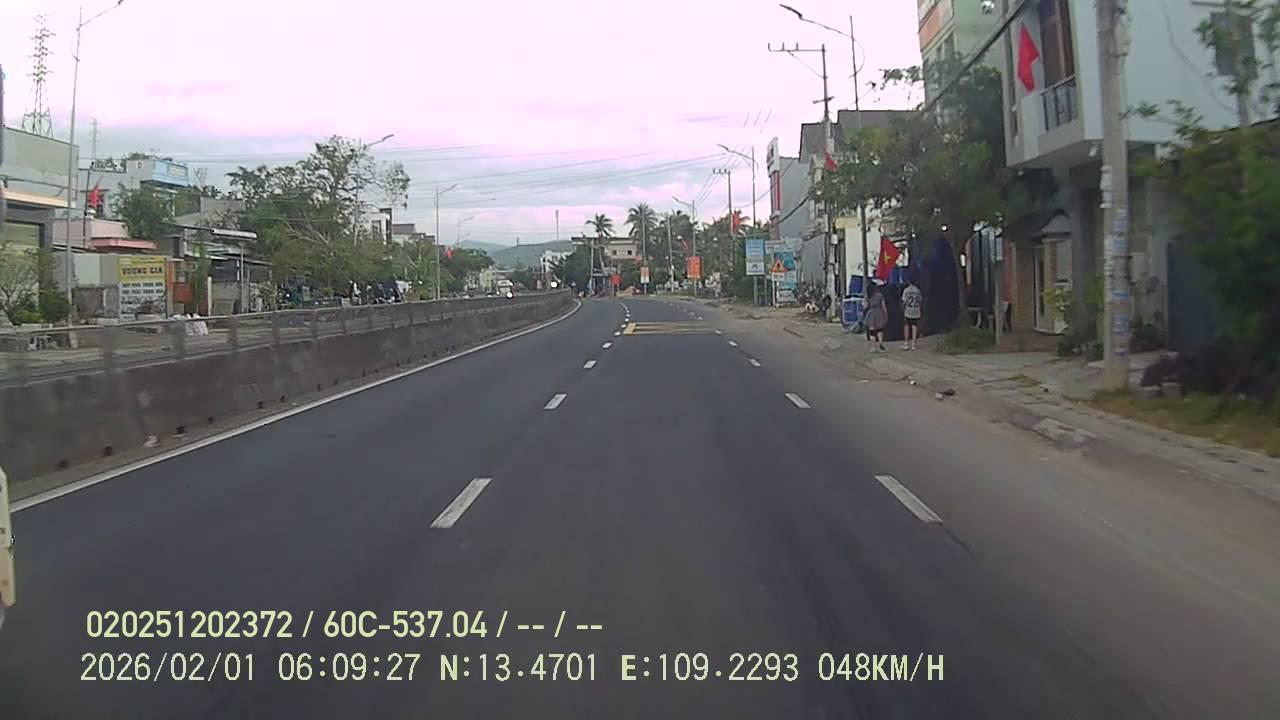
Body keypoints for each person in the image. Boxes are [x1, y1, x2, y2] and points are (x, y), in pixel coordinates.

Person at [864, 283, 888, 352]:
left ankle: (873, 347)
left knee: (872, 331)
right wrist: (885, 314)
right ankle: (880, 343)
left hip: (871, 312)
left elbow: (865, 306)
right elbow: (884, 306)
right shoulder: (880, 295)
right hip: (879, 312)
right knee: (879, 329)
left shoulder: (867, 296)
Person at [901, 277, 923, 350]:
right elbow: (920, 300)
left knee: (906, 326)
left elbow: (904, 301)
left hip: (908, 310)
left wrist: (902, 308)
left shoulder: (906, 290)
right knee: (914, 326)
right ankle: (914, 344)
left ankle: (906, 343)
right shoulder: (918, 290)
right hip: (916, 309)